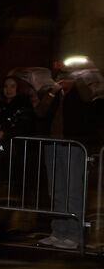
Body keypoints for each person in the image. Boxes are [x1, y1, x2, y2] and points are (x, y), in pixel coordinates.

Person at [33, 63, 101, 249]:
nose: (64, 78)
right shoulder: (52, 94)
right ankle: (58, 232)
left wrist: (78, 80)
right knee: (56, 192)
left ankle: (74, 235)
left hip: (73, 146)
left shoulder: (80, 92)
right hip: (52, 146)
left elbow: (89, 99)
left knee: (73, 192)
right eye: (61, 75)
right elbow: (40, 112)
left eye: (68, 75)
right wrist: (53, 92)